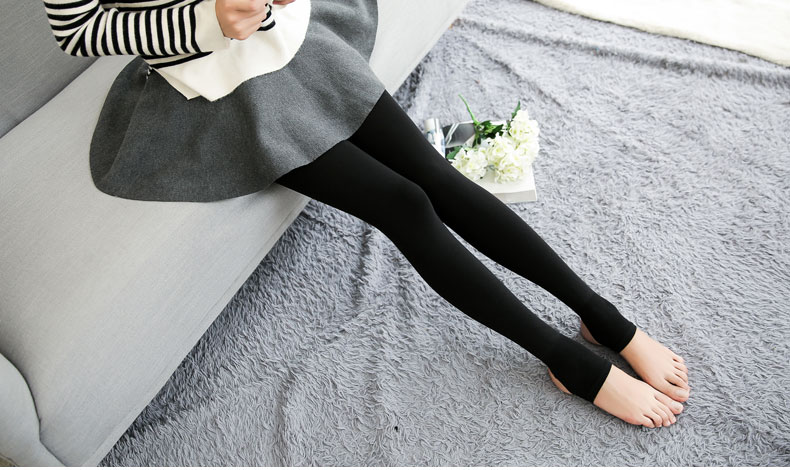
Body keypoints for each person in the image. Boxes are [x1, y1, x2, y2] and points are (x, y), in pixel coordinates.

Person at [43, 0, 690, 428]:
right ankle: (563, 357)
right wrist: (203, 19)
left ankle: (600, 315)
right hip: (219, 95)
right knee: (404, 204)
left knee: (435, 175)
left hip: (290, 42)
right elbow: (77, 28)